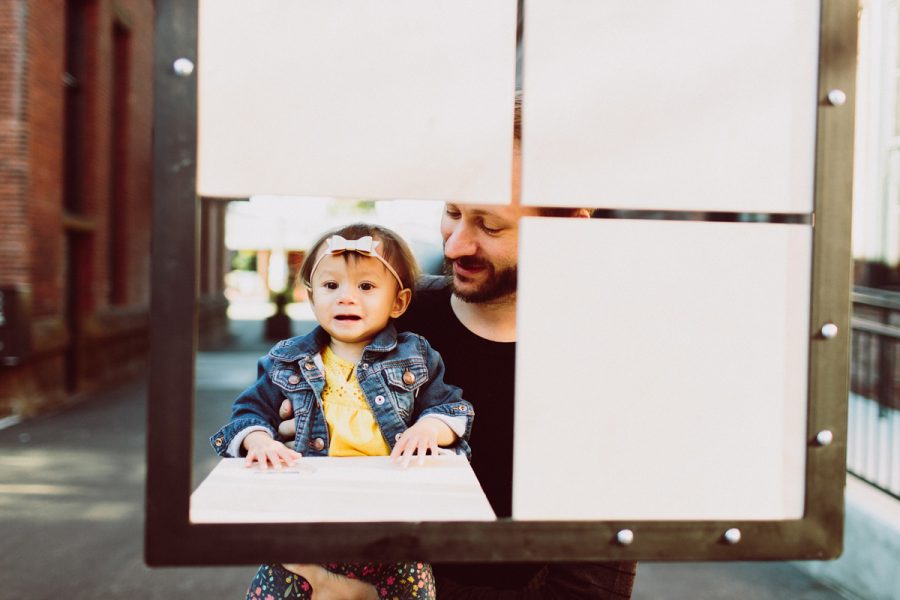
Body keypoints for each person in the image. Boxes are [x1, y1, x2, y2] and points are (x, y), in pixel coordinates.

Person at [277, 180, 638, 599]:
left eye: (490, 226)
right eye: (452, 213)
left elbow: (593, 581)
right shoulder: (384, 314)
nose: (453, 247)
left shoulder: (605, 358)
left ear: (569, 228)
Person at [211, 223, 475, 600]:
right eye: (331, 286)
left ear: (398, 302)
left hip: (392, 523)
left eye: (366, 287)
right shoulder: (287, 361)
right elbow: (248, 412)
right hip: (309, 521)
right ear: (311, 297)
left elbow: (452, 407)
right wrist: (259, 440)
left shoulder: (415, 355)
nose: (346, 298)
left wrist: (431, 428)